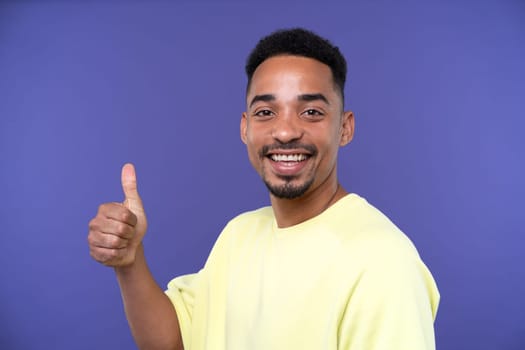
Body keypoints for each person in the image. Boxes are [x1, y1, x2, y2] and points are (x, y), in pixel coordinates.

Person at [88, 28, 440, 350]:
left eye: (312, 112)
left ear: (345, 128)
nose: (285, 132)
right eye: (266, 112)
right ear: (245, 128)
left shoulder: (382, 263)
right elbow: (174, 341)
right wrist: (129, 262)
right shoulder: (239, 236)